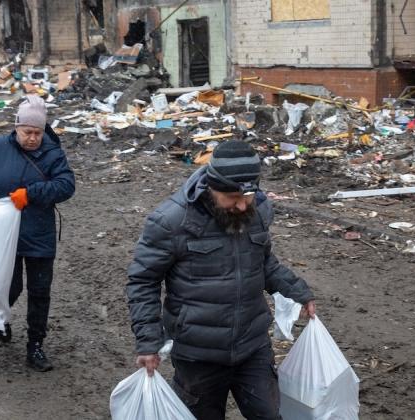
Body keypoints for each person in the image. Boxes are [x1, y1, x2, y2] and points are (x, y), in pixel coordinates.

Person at [126, 140, 316, 419]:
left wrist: (297, 290)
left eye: (247, 195)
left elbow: (263, 263)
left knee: (271, 415)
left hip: (252, 346)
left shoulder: (259, 210)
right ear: (212, 187)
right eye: (231, 198)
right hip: (198, 355)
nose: (241, 206)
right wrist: (148, 340)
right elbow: (143, 280)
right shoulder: (171, 221)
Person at [0, 95, 75, 372]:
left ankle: (35, 346)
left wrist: (32, 194)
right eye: (28, 132)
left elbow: (66, 185)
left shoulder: (53, 153)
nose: (33, 138)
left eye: (38, 132)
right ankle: (0, 320)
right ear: (16, 127)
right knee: (8, 288)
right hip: (5, 236)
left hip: (39, 235)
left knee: (40, 293)